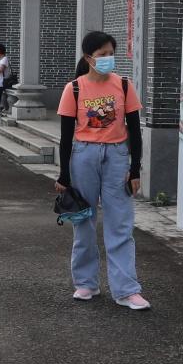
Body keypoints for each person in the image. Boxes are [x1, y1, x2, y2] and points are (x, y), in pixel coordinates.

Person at [55, 31, 150, 311]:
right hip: (83, 156)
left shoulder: (124, 85)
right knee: (84, 220)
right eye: (102, 54)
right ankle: (86, 283)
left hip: (117, 156)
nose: (108, 58)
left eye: (111, 53)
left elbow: (135, 131)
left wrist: (135, 169)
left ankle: (127, 290)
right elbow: (65, 137)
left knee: (120, 223)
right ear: (89, 58)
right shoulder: (74, 88)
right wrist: (64, 175)